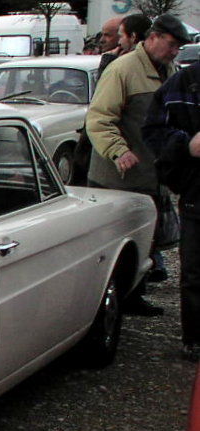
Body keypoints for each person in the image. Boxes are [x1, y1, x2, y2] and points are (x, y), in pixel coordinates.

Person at [86, 13, 192, 315]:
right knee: (116, 243)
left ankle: (134, 295)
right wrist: (119, 151)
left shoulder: (170, 71)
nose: (174, 52)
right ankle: (108, 302)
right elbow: (99, 118)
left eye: (177, 48)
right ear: (153, 37)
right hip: (118, 177)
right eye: (171, 45)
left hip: (151, 174)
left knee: (146, 239)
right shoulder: (123, 69)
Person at [144, 58, 200, 361]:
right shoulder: (185, 82)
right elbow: (153, 130)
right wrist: (187, 144)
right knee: (194, 273)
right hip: (197, 193)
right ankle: (194, 338)